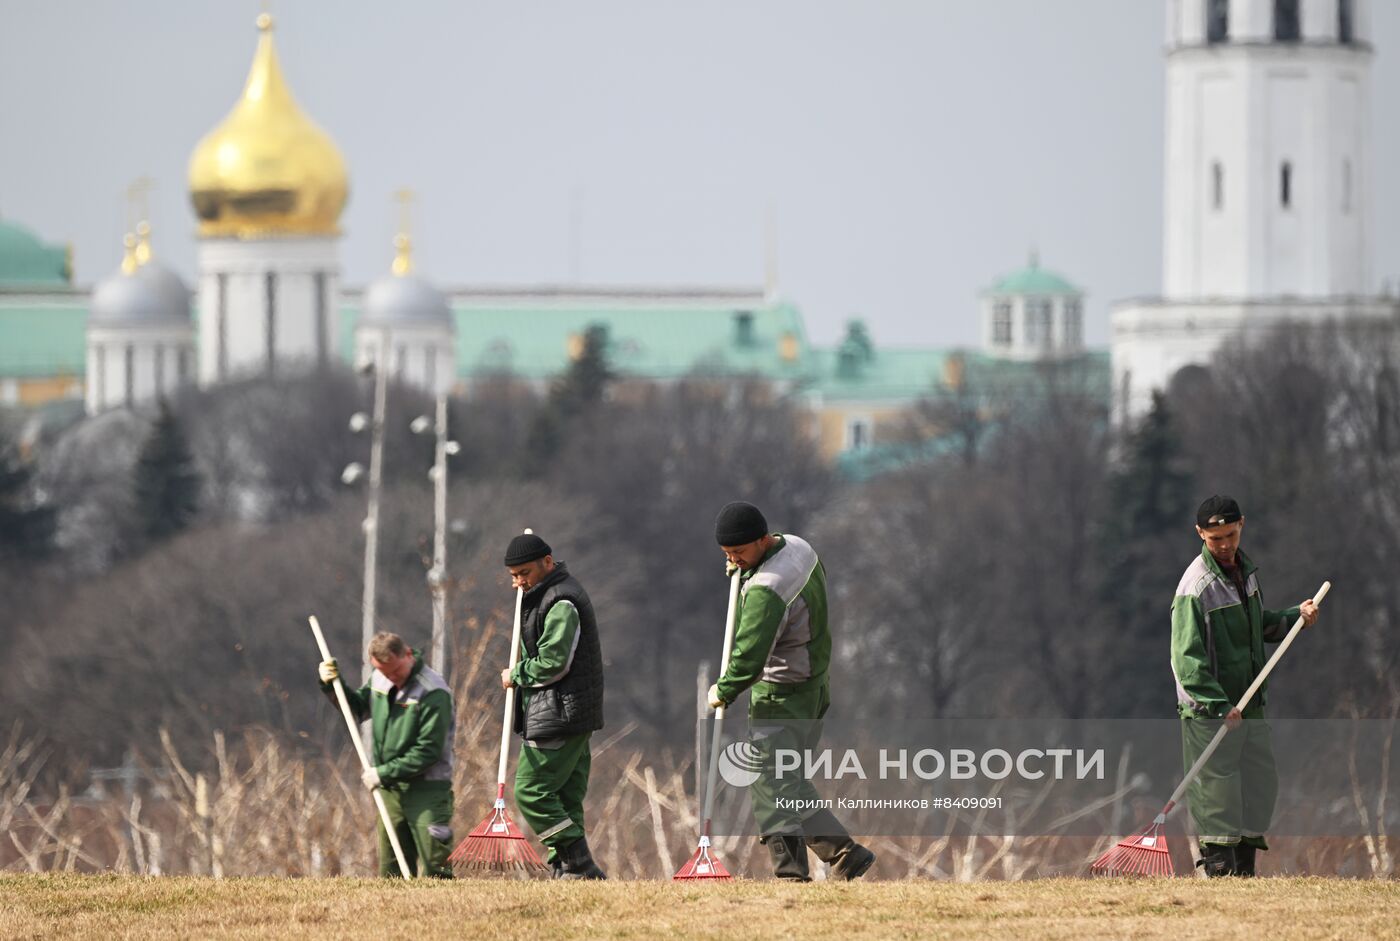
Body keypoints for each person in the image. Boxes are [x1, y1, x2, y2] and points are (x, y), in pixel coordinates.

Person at [707, 501, 875, 882]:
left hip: (781, 694)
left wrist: (725, 689)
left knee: (771, 782)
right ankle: (842, 855)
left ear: (763, 540)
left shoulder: (767, 590)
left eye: (740, 552)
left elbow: (749, 657)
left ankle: (795, 873)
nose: (733, 559)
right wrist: (743, 568)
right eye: (727, 554)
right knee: (788, 778)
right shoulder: (799, 548)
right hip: (814, 686)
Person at [1170, 495, 1319, 877]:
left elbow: (1255, 626)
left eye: (1230, 535)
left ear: (1242, 526)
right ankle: (1221, 872)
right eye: (1214, 538)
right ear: (1200, 533)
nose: (1224, 544)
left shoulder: (1246, 573)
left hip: (1249, 703)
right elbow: (1186, 662)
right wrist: (1219, 706)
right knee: (1217, 794)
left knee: (1259, 785)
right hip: (1210, 712)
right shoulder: (1194, 589)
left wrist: (1294, 618)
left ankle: (1244, 873)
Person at [499, 531, 607, 879]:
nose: (518, 582)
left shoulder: (561, 601)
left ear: (548, 562)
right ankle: (569, 870)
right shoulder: (543, 594)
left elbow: (553, 663)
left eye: (524, 574)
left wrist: (516, 674)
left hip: (559, 712)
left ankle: (578, 863)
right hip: (571, 712)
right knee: (565, 795)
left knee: (530, 790)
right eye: (514, 576)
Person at [317, 632, 455, 878]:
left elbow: (429, 750)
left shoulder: (433, 691)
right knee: (392, 867)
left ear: (408, 654)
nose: (392, 678)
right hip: (390, 789)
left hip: (427, 788)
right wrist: (331, 685)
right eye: (384, 672)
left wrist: (383, 772)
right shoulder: (380, 680)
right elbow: (356, 710)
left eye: (396, 671)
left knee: (436, 863)